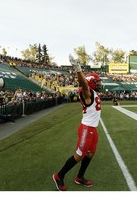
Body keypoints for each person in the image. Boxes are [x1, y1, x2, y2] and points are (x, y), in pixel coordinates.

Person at [52, 55, 102, 191]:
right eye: (96, 82)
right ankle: (59, 176)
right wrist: (78, 69)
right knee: (79, 155)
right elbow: (83, 84)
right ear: (90, 83)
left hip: (93, 128)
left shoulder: (93, 92)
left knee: (90, 153)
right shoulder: (87, 92)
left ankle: (79, 177)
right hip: (86, 128)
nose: (99, 84)